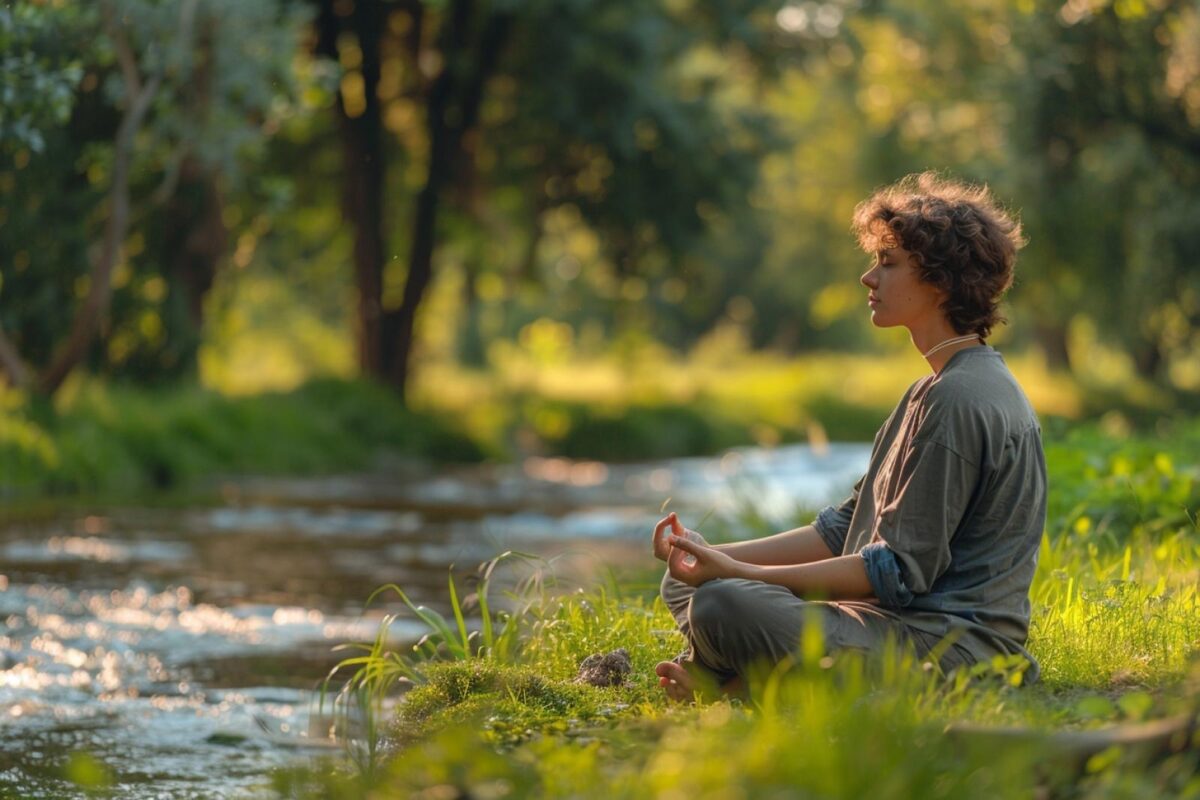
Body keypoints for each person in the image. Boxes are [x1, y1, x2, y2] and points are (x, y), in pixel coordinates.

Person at [653, 172, 1048, 701]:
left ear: (940, 280)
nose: (868, 278)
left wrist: (737, 573)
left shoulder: (959, 399)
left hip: (953, 653)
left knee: (722, 603)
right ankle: (743, 681)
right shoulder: (932, 388)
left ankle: (741, 686)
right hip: (888, 627)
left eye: (888, 264)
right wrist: (712, 555)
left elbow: (894, 572)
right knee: (685, 581)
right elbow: (844, 529)